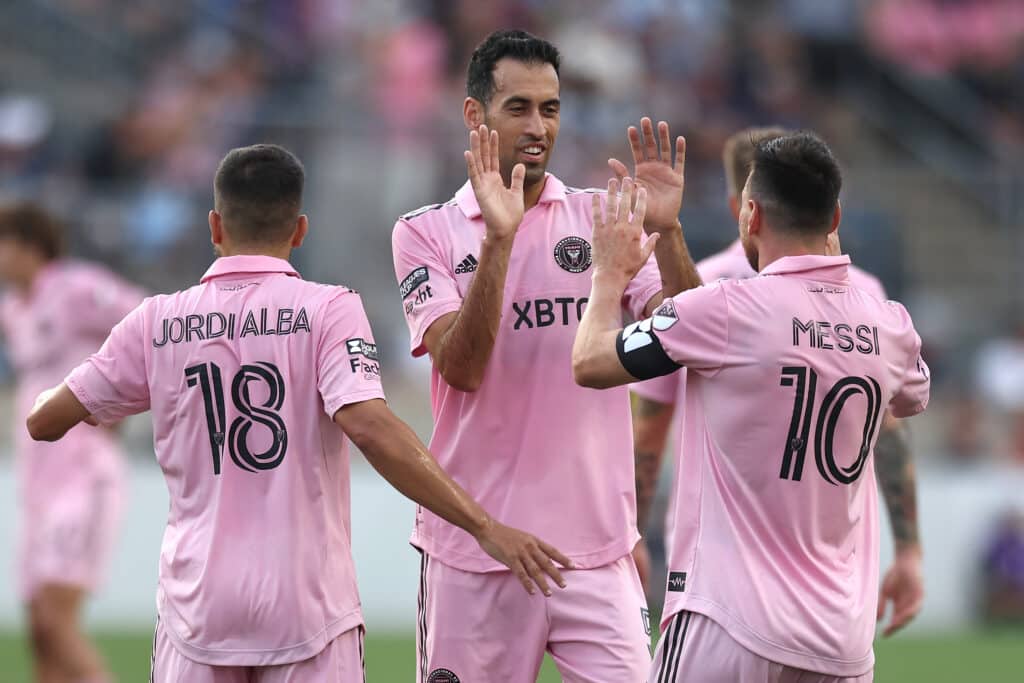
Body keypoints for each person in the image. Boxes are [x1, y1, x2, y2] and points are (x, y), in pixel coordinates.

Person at [26, 144, 571, 683]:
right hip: (308, 607)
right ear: (300, 230)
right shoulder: (329, 309)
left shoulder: (156, 322)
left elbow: (45, 420)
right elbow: (370, 428)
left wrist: (84, 401)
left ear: (215, 227)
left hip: (196, 607)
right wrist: (482, 525)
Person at [391, 29, 700, 682]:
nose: (538, 126)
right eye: (519, 107)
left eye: (550, 109)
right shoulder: (426, 232)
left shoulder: (600, 217)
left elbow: (696, 333)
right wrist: (500, 241)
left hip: (593, 553)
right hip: (478, 550)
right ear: (475, 114)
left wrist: (668, 233)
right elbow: (462, 368)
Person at [573, 132, 930, 682]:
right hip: (841, 642)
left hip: (727, 624)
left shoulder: (726, 308)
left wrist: (607, 275)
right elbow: (906, 403)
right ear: (834, 216)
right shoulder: (891, 324)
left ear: (750, 214)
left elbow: (591, 362)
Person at [0, 202, 144, 683]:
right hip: (39, 487)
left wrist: (122, 401)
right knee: (40, 631)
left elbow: (152, 321)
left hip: (83, 479)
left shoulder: (75, 287)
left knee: (56, 622)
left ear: (26, 245)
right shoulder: (16, 309)